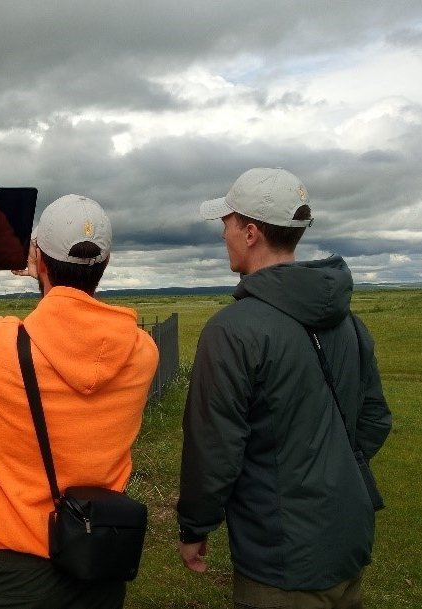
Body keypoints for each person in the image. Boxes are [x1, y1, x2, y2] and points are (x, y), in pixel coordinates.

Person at [0, 194, 159, 609]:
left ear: (39, 258)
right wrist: (48, 275)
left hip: (16, 572)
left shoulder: (4, 346)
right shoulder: (142, 352)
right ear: (103, 264)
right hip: (97, 560)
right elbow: (76, 326)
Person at [176, 168, 392, 608]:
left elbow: (213, 447)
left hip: (280, 559)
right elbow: (374, 417)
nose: (223, 235)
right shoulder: (347, 320)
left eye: (227, 223)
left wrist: (194, 526)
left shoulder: (232, 330)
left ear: (251, 232)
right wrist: (327, 471)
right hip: (346, 538)